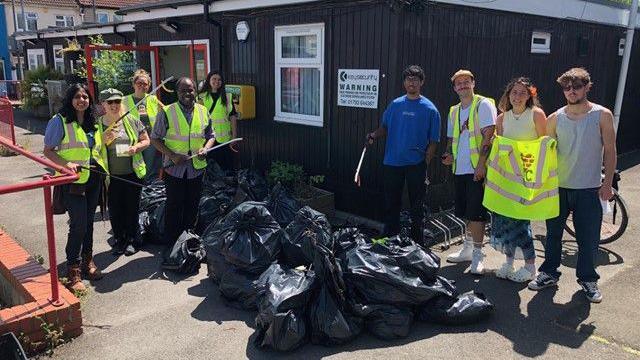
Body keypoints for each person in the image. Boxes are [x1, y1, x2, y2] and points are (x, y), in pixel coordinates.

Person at [528, 68, 616, 303]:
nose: (571, 91)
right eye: (567, 87)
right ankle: (549, 273)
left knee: (588, 239)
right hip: (559, 187)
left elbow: (610, 150)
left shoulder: (602, 115)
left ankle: (588, 279)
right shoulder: (555, 117)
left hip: (589, 188)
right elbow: (545, 153)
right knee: (553, 234)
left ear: (587, 86)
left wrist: (607, 183)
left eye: (576, 86)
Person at [43, 84, 108, 292]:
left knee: (89, 222)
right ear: (70, 99)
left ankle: (88, 261)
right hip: (72, 181)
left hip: (93, 179)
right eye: (78, 97)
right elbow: (48, 151)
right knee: (78, 224)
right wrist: (65, 165)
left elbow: (95, 150)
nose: (82, 100)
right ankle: (73, 270)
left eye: (86, 97)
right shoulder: (59, 121)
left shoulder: (93, 122)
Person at [366, 65, 440, 241]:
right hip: (392, 162)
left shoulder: (430, 109)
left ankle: (417, 240)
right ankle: (391, 236)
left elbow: (434, 141)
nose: (411, 82)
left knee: (417, 205)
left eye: (415, 79)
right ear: (404, 83)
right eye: (408, 79)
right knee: (392, 202)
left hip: (416, 164)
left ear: (421, 82)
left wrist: (425, 163)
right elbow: (385, 127)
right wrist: (373, 135)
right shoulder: (395, 105)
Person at [490, 77, 547, 283]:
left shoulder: (536, 115)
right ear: (508, 95)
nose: (517, 96)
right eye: (514, 92)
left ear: (530, 95)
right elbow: (501, 148)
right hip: (506, 179)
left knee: (521, 222)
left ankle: (530, 266)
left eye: (522, 93)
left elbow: (545, 145)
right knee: (504, 220)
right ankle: (508, 261)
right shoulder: (501, 118)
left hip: (526, 178)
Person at [442, 69, 497, 274]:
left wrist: (481, 165)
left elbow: (489, 136)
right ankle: (467, 248)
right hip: (460, 168)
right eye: (459, 83)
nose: (463, 85)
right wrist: (448, 154)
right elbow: (451, 138)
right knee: (465, 210)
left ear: (473, 83)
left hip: (477, 168)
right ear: (454, 87)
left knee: (476, 213)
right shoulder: (454, 110)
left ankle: (477, 255)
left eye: (466, 81)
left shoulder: (483, 105)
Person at [150, 77, 215, 246]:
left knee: (192, 205)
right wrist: (172, 155)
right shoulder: (167, 112)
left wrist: (206, 148)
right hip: (174, 169)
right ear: (177, 92)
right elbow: (155, 139)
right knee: (174, 205)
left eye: (190, 89)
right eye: (183, 90)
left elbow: (211, 136)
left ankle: (188, 241)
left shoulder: (203, 111)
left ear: (195, 91)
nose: (187, 93)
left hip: (196, 167)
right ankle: (172, 243)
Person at [98, 88, 150, 256]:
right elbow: (93, 151)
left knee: (132, 209)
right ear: (103, 104)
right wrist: (103, 140)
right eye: (110, 102)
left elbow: (146, 140)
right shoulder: (98, 125)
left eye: (117, 102)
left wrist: (136, 147)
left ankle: (133, 240)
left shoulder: (132, 120)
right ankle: (119, 240)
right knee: (115, 210)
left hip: (132, 174)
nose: (114, 105)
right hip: (111, 176)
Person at [123, 69, 164, 182]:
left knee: (148, 167)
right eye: (139, 83)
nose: (142, 86)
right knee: (133, 166)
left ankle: (146, 190)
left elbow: (166, 111)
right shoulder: (124, 101)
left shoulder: (153, 99)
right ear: (133, 84)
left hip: (149, 140)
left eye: (145, 84)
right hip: (132, 140)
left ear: (149, 86)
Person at [198, 70, 238, 172]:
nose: (217, 81)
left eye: (219, 79)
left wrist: (234, 136)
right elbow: (197, 118)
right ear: (209, 80)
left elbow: (233, 116)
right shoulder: (201, 97)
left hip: (225, 138)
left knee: (226, 166)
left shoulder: (227, 96)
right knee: (211, 167)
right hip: (208, 138)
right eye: (214, 79)